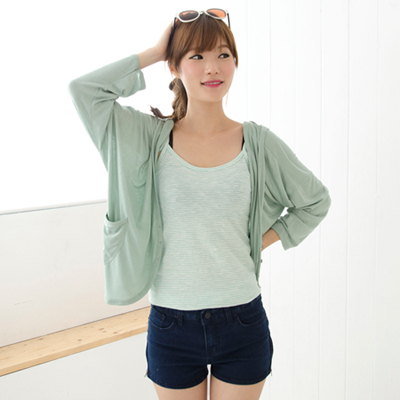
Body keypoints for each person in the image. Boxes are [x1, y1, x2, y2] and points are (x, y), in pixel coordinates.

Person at [68, 9, 331, 400]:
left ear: (235, 62)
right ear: (175, 66)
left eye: (223, 54)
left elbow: (315, 201)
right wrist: (156, 51)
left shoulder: (257, 142)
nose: (213, 67)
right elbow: (84, 90)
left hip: (242, 320)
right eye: (197, 56)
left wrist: (257, 242)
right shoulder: (148, 139)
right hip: (171, 325)